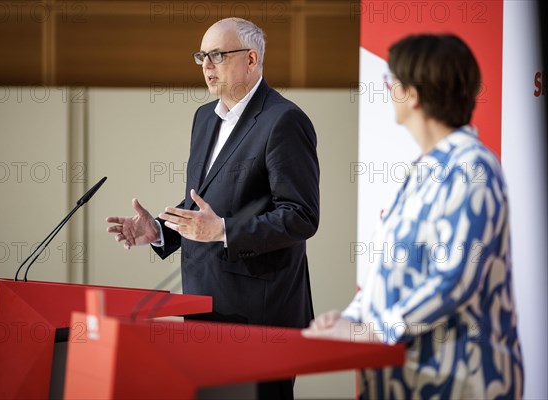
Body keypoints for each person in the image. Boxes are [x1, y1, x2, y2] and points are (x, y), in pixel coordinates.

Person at [106, 17, 319, 399]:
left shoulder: (283, 120)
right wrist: (159, 231)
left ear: (252, 60)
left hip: (260, 316)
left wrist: (223, 231)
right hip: (205, 307)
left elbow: (300, 216)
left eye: (218, 55)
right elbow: (202, 203)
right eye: (202, 56)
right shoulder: (204, 118)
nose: (207, 65)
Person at [302, 34, 524, 399]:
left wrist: (371, 332)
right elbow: (389, 273)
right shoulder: (424, 170)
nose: (388, 90)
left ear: (414, 94)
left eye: (392, 82)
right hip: (405, 378)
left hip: (458, 379)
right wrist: (350, 319)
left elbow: (454, 278)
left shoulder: (472, 166)